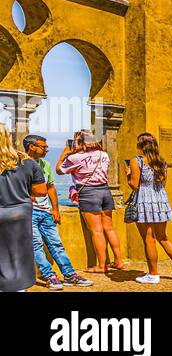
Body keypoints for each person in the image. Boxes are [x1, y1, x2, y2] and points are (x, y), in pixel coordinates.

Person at [23, 135, 91, 289]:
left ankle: (69, 274)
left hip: (46, 211)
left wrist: (55, 209)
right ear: (31, 147)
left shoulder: (45, 164)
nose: (47, 149)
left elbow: (51, 187)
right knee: (36, 245)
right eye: (43, 146)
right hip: (29, 212)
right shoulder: (19, 165)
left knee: (56, 244)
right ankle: (49, 276)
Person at [124, 132, 172, 284]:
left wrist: (127, 174)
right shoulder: (162, 162)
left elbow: (135, 185)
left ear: (140, 146)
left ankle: (153, 274)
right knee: (162, 236)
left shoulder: (137, 161)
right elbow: (162, 184)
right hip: (160, 200)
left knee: (149, 239)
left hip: (145, 201)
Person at [56, 131, 123, 273]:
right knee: (109, 228)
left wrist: (65, 152)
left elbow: (59, 171)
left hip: (88, 193)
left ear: (78, 142)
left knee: (96, 231)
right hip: (105, 191)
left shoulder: (75, 158)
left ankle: (101, 266)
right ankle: (119, 261)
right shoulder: (103, 154)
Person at [1, 124, 53, 293]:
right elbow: (40, 191)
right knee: (19, 251)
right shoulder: (27, 162)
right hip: (20, 213)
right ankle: (19, 287)